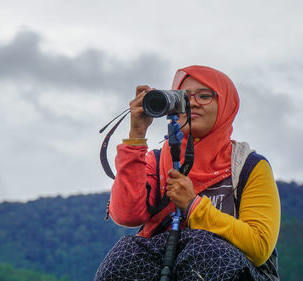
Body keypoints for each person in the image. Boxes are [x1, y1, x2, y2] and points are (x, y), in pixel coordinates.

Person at [94, 65, 280, 281]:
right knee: (126, 256)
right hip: (167, 264)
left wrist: (194, 206)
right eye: (184, 97)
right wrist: (137, 134)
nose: (193, 103)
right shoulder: (157, 161)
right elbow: (127, 215)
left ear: (226, 105)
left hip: (235, 270)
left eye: (204, 96)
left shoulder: (248, 166)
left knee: (205, 251)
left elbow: (259, 246)